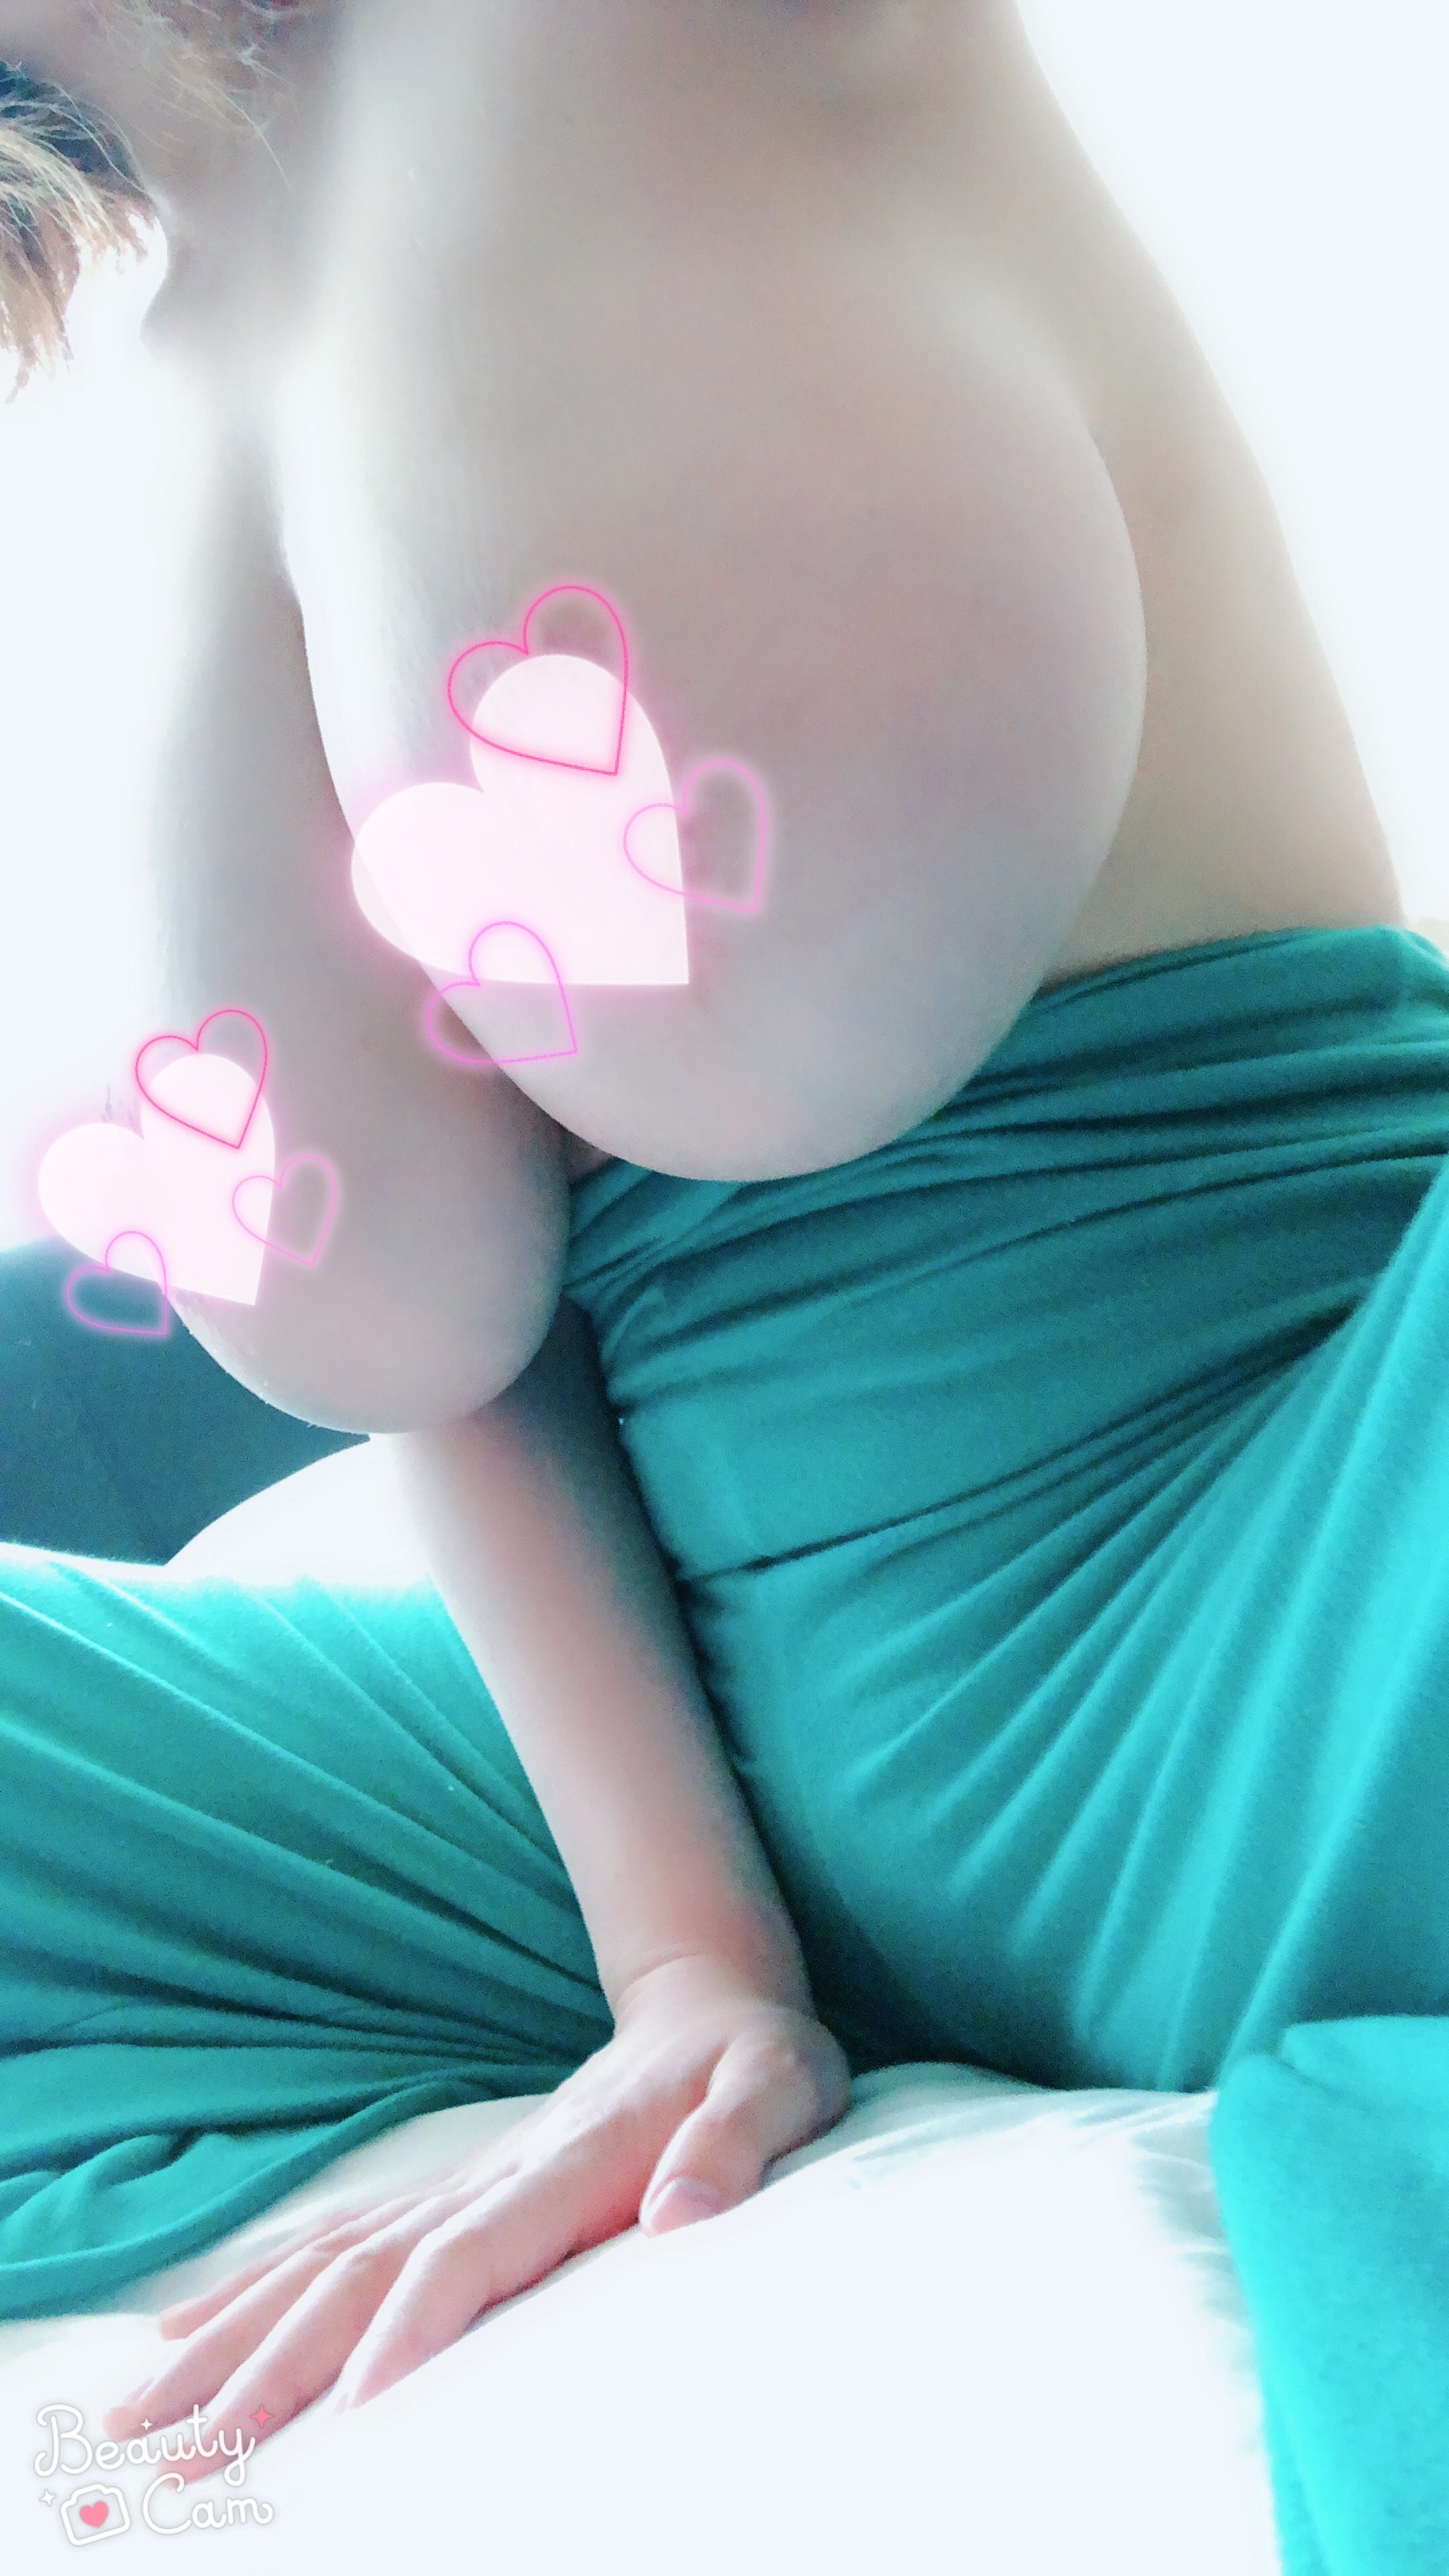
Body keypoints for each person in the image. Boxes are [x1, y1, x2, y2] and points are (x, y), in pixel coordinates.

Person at [1, 0, 1443, 2534]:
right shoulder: (211, 300)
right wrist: (687, 1960)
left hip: (1292, 1552)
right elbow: (439, 1330)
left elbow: (743, 1014)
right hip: (735, 1760)